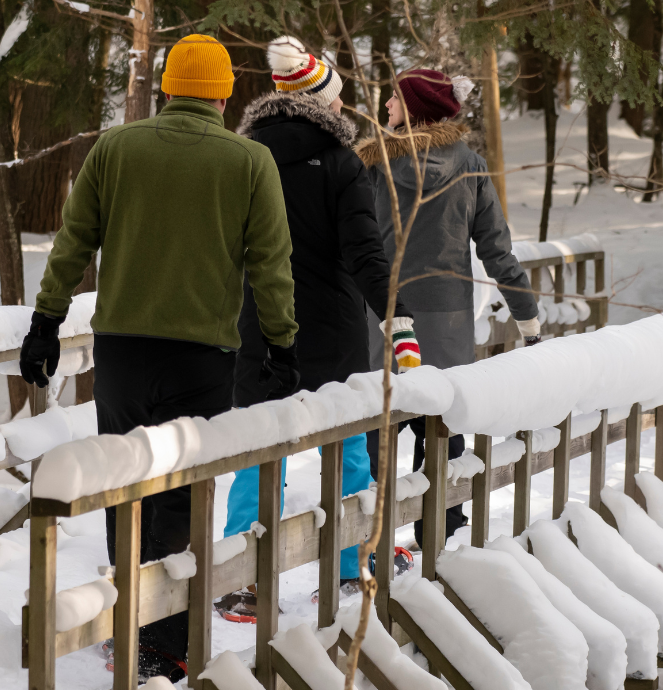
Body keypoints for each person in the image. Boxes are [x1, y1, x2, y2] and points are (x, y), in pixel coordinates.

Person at [18, 34, 298, 682]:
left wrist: (47, 320)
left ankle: (129, 626)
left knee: (121, 484)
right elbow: (271, 265)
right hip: (203, 356)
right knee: (179, 498)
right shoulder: (248, 162)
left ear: (169, 86)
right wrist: (282, 345)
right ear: (225, 94)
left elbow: (74, 239)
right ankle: (164, 642)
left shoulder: (117, 148)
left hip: (122, 352)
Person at [215, 37, 422, 623]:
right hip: (331, 332)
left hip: (257, 330)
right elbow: (365, 253)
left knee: (259, 451)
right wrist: (396, 317)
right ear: (324, 104)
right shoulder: (340, 162)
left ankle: (243, 583)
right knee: (348, 447)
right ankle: (354, 566)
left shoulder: (240, 157)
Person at [357, 68, 540, 551]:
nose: (385, 108)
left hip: (383, 316)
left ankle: (370, 540)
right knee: (442, 426)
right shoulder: (471, 167)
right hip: (447, 319)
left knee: (376, 426)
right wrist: (528, 318)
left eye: (393, 100)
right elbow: (497, 251)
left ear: (413, 108)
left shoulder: (372, 166)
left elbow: (353, 246)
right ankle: (442, 533)